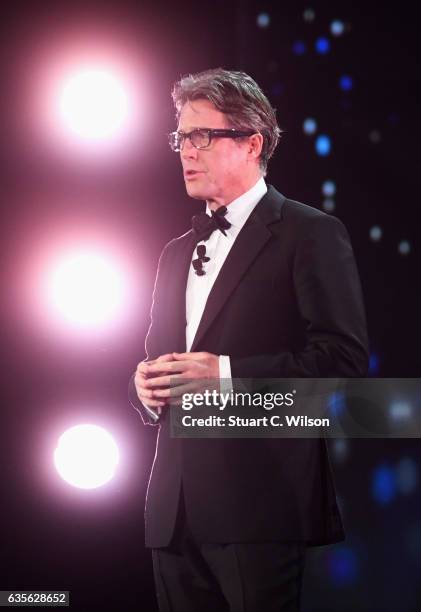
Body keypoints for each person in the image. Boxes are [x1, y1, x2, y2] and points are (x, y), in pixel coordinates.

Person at [128, 68, 369, 612]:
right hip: (174, 510)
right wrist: (143, 386)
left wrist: (227, 375)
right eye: (180, 138)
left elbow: (344, 365)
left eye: (201, 136)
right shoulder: (173, 253)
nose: (185, 151)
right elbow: (157, 359)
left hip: (259, 507)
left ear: (253, 142)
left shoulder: (309, 233)